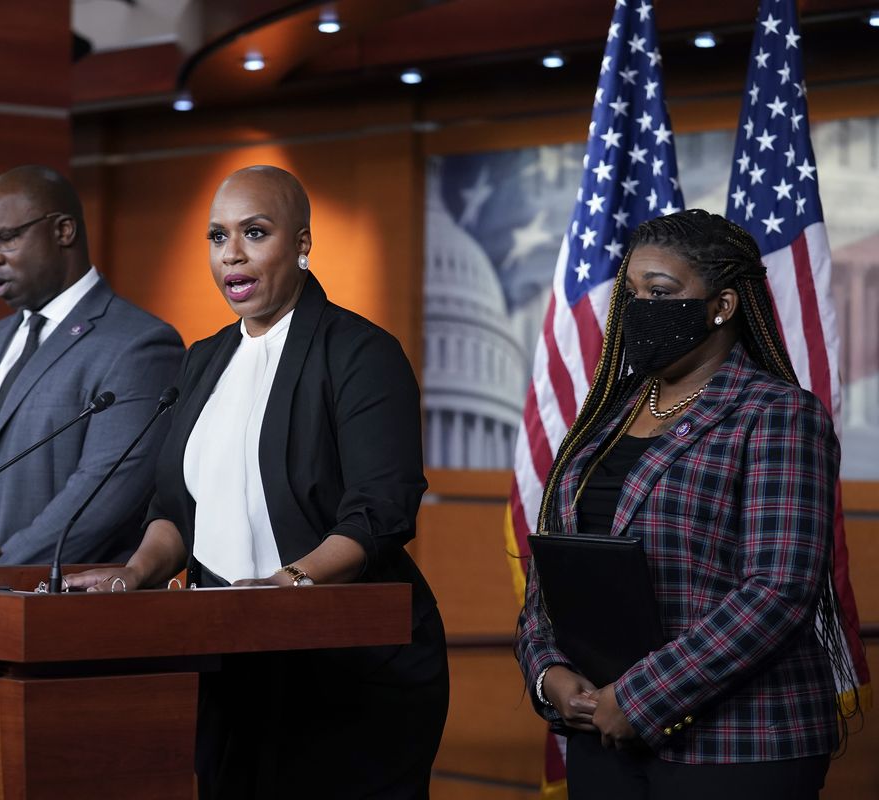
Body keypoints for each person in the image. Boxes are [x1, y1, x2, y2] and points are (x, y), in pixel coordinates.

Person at [65, 165, 450, 799]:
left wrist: (288, 584)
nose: (232, 254)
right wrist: (132, 575)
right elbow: (174, 508)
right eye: (218, 237)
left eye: (256, 232)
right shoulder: (204, 358)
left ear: (302, 244)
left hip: (348, 666)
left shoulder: (359, 352)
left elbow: (380, 511)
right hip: (234, 663)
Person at [515, 209, 858, 800]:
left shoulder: (776, 415)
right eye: (631, 292)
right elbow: (555, 570)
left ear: (722, 306)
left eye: (660, 292)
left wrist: (642, 696)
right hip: (602, 735)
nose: (637, 307)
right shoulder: (603, 420)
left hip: (739, 745)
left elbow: (779, 592)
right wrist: (549, 674)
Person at [0, 165, 184, 568]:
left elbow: (101, 495)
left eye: (5, 239)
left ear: (63, 231)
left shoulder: (140, 346)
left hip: (65, 605)